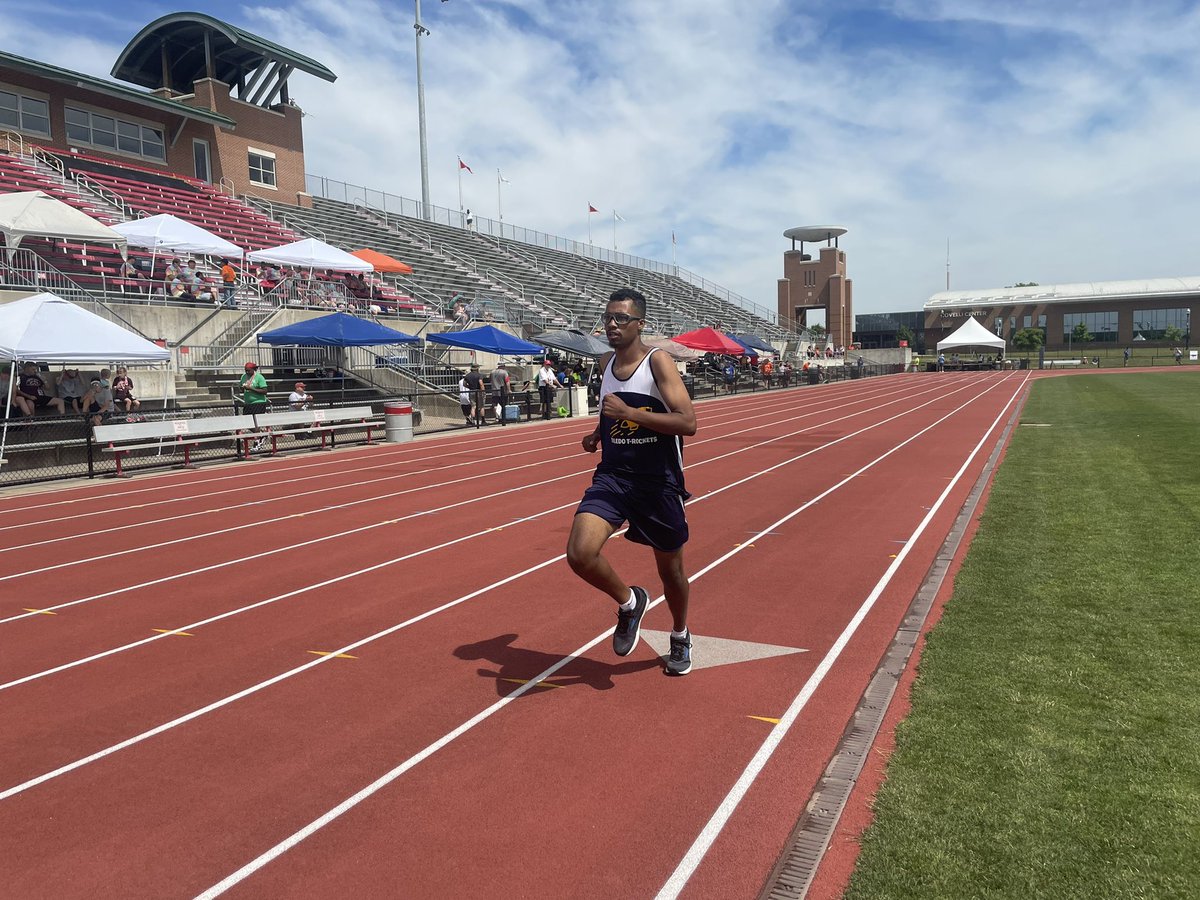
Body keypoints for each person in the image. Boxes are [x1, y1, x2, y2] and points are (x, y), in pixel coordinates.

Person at [565, 288, 698, 676]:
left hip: (658, 483)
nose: (612, 324)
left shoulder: (658, 362)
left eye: (621, 318)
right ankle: (630, 602)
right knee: (579, 554)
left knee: (671, 573)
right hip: (613, 477)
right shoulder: (605, 362)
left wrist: (629, 413)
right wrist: (598, 433)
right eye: (608, 317)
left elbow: (688, 422)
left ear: (640, 324)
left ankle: (680, 634)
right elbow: (610, 409)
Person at [464, 363, 486, 427]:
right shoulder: (479, 375)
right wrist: (483, 391)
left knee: (473, 406)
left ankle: (473, 421)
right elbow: (481, 383)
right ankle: (483, 420)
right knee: (481, 406)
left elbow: (464, 384)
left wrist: (469, 387)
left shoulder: (467, 376)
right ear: (477, 368)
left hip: (471, 391)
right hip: (479, 391)